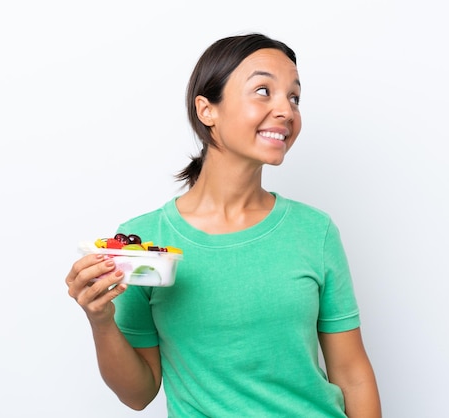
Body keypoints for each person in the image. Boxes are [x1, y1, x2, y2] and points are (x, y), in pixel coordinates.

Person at [66, 32, 381, 417]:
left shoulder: (316, 232)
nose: (286, 110)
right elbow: (139, 393)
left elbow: (352, 375)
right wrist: (100, 320)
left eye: (294, 97)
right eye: (263, 91)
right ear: (206, 110)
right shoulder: (143, 245)